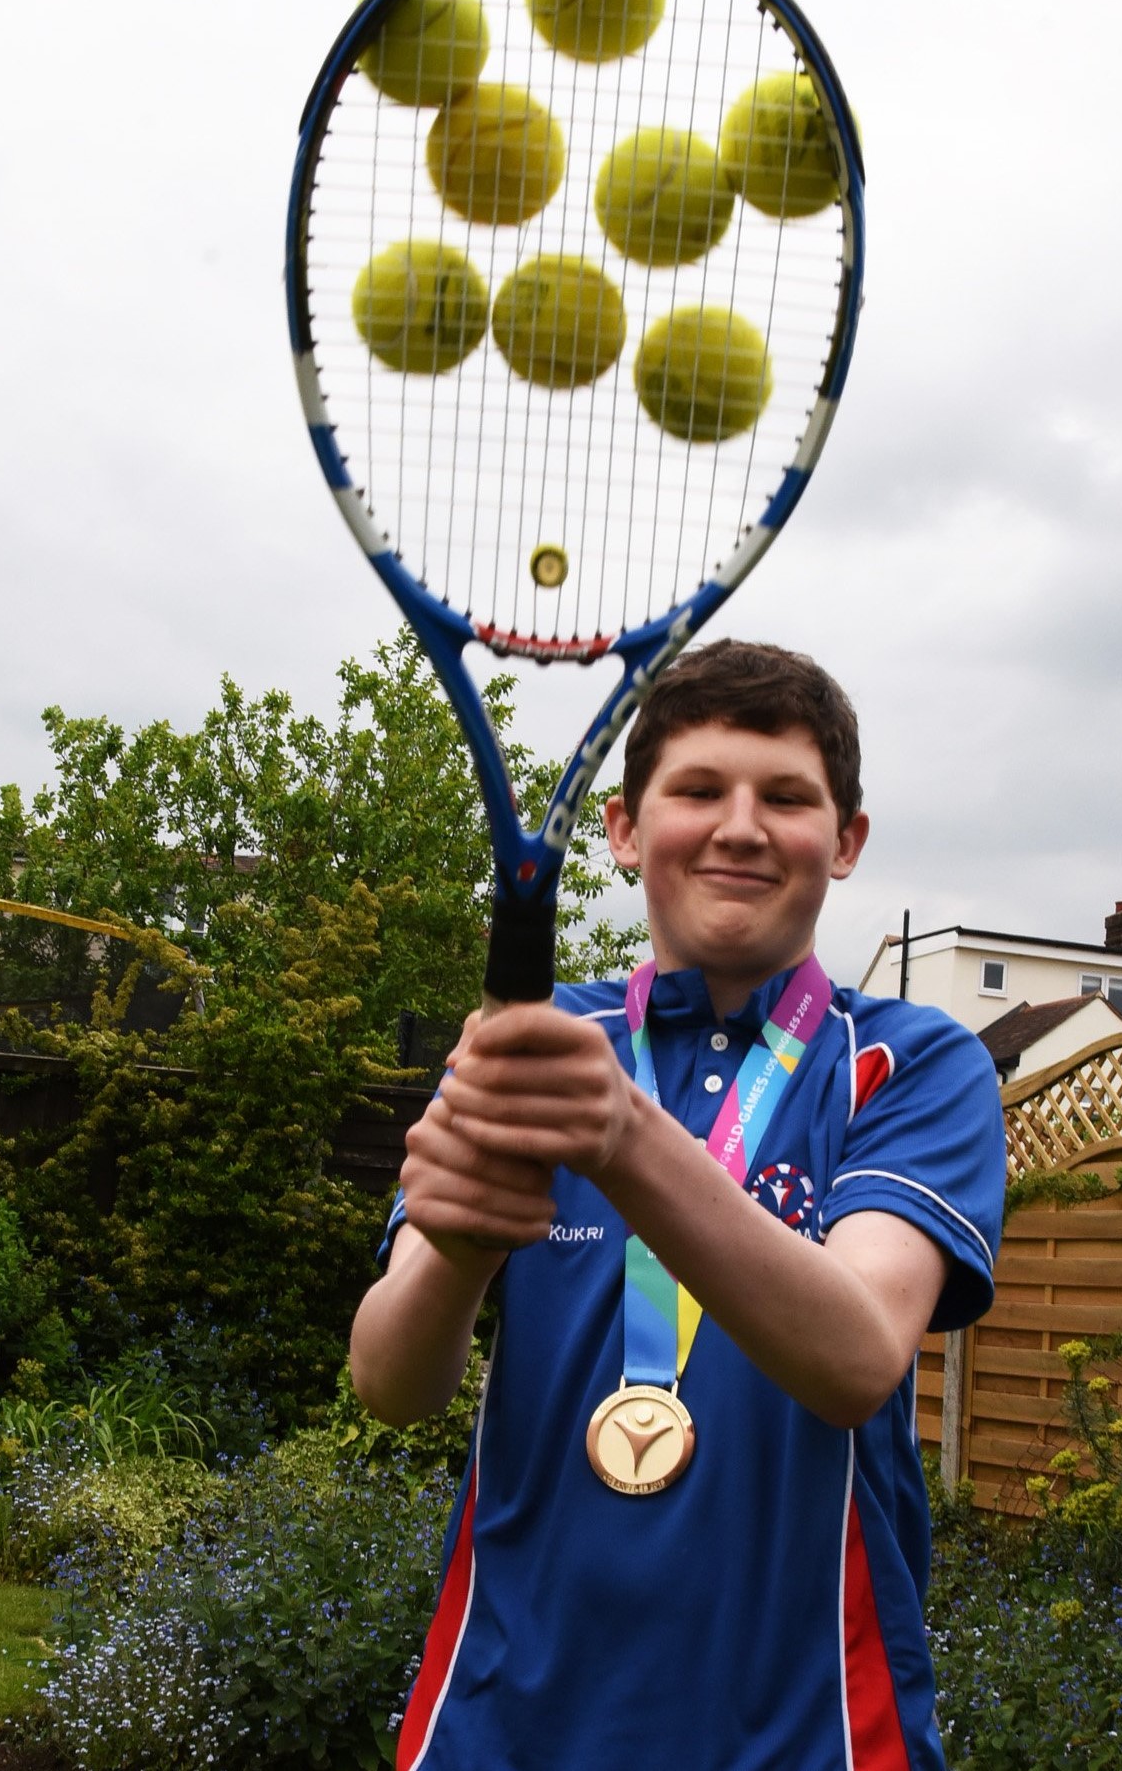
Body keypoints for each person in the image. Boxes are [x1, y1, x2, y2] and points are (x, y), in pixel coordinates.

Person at [350, 640, 1006, 1771]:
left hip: (813, 1734)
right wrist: (455, 1249)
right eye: (698, 789)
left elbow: (855, 1356)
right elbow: (391, 1383)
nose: (741, 826)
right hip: (496, 1724)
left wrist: (621, 1134)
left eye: (787, 798)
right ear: (623, 830)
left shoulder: (912, 1064)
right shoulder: (535, 1047)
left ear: (845, 841)